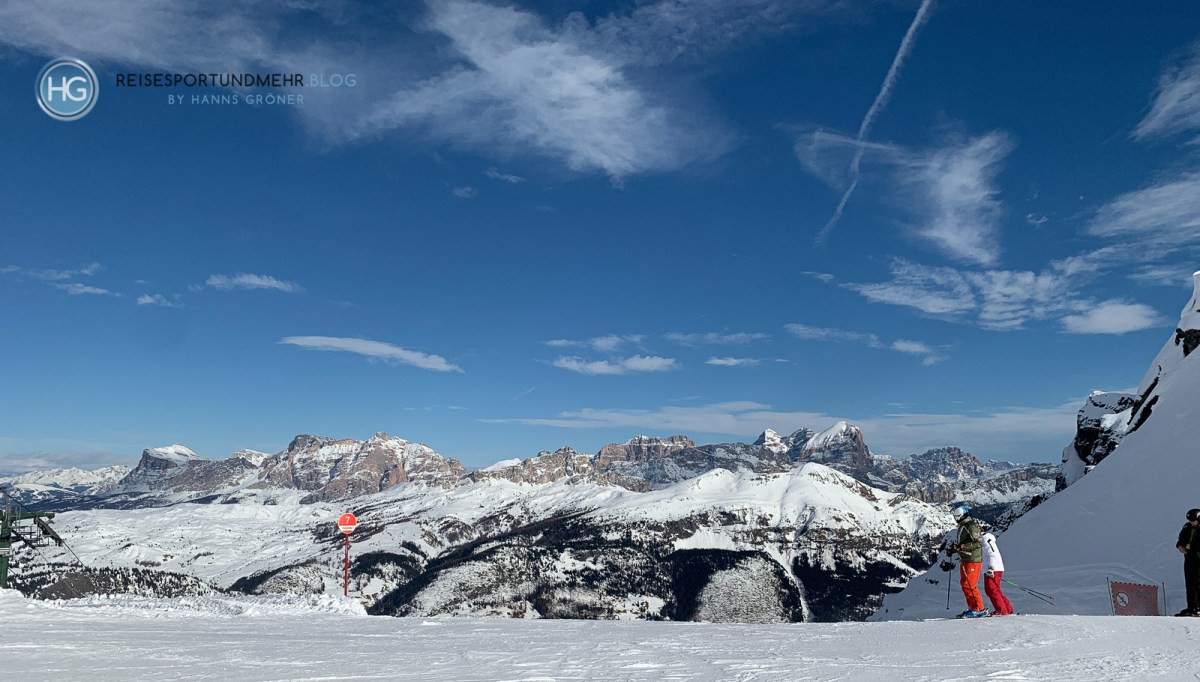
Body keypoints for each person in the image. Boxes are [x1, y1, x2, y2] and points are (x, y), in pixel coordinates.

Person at [946, 503, 988, 618]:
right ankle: (973, 608)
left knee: (969, 585)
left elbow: (978, 542)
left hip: (972, 559)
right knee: (965, 584)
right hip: (966, 558)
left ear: (959, 515)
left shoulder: (971, 526)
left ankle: (979, 609)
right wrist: (954, 550)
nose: (955, 518)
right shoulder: (964, 526)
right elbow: (963, 544)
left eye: (955, 516)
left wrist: (961, 548)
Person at [981, 529, 1015, 616]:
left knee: (991, 589)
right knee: (995, 589)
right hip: (994, 569)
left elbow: (992, 555)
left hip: (993, 569)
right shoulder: (987, 541)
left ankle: (1001, 610)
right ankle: (1007, 609)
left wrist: (991, 568)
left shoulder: (986, 541)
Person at [1176, 508, 1200, 617]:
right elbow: (1181, 539)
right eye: (1190, 519)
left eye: (1193, 520)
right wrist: (1180, 546)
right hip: (1189, 558)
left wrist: (1192, 547)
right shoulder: (1187, 527)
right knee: (1190, 582)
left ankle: (1198, 607)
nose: (1191, 522)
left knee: (1197, 582)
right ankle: (1192, 607)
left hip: (1198, 558)